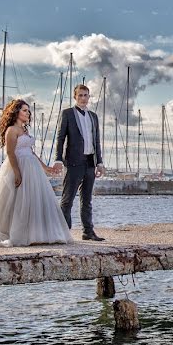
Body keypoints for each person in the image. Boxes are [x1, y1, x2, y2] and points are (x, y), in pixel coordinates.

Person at [0, 100, 71, 247]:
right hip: (19, 165)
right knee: (16, 201)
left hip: (32, 167)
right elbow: (10, 153)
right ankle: (15, 232)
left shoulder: (24, 130)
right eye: (24, 110)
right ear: (16, 112)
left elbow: (31, 152)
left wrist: (46, 168)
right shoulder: (11, 130)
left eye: (28, 111)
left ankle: (35, 233)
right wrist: (17, 172)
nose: (28, 113)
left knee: (33, 200)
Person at [52, 84, 106, 241]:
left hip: (90, 162)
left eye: (86, 95)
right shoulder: (67, 114)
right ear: (75, 97)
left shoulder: (93, 116)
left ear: (89, 97)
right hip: (74, 162)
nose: (83, 98)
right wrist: (58, 159)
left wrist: (100, 163)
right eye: (80, 95)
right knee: (67, 199)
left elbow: (96, 141)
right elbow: (60, 138)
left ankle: (88, 232)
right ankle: (62, 233)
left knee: (87, 199)